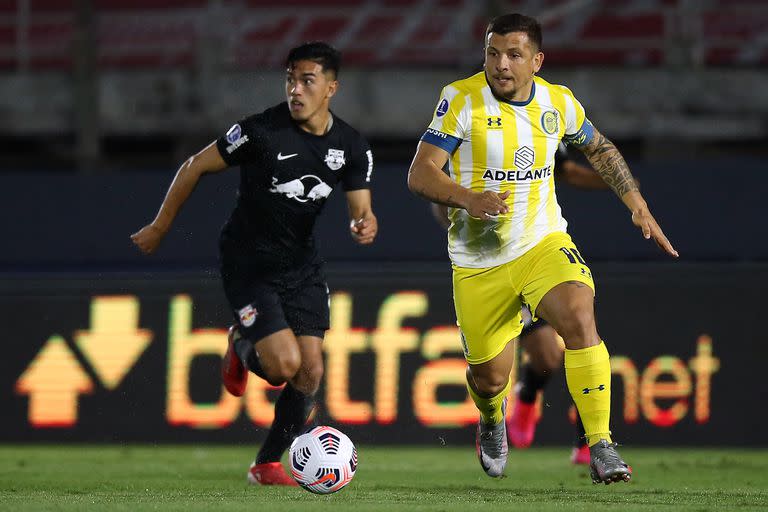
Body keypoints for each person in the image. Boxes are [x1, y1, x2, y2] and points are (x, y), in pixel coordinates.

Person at [408, 13, 677, 485]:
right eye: (493, 53)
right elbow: (421, 173)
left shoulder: (558, 103)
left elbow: (600, 148)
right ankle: (492, 418)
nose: (501, 65)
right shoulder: (461, 99)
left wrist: (636, 203)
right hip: (478, 264)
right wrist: (469, 198)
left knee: (579, 315)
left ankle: (601, 445)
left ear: (537, 60)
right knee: (490, 378)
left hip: (541, 242)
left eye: (513, 55)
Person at [131, 42, 377, 486]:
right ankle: (241, 344)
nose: (295, 90)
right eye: (290, 79)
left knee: (311, 372)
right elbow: (193, 166)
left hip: (301, 266)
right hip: (250, 263)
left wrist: (365, 223)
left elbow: (361, 206)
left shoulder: (351, 146)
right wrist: (160, 225)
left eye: (307, 81)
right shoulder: (261, 131)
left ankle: (265, 465)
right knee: (283, 367)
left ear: (331, 88)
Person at [430, 143, 611, 466]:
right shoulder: (468, 125)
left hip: (538, 250)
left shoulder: (545, 117)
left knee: (581, 331)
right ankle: (515, 403)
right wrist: (466, 221)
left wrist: (616, 180)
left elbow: (566, 170)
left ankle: (592, 442)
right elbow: (434, 189)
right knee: (540, 357)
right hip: (490, 263)